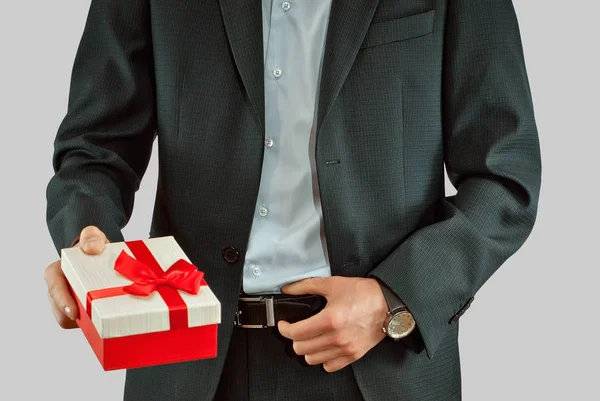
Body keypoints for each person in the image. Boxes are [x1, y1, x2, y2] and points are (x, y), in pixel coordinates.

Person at [43, 1, 541, 400]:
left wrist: (393, 297)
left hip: (381, 362)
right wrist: (91, 253)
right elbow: (96, 147)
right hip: (192, 365)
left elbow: (504, 178)